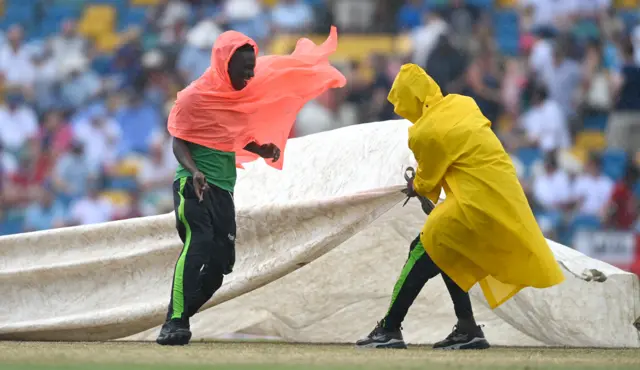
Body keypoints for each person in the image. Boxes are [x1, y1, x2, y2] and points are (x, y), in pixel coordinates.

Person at [157, 27, 345, 346]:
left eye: (252, 67)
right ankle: (175, 322)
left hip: (223, 189)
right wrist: (194, 172)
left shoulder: (238, 97)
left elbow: (238, 135)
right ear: (224, 63)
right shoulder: (194, 97)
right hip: (194, 184)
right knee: (198, 242)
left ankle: (177, 315)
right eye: (244, 68)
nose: (250, 74)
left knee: (221, 266)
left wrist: (263, 149)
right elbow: (179, 142)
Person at [357, 64, 565, 350]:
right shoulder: (463, 103)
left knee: (422, 248)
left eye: (400, 102)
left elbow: (426, 181)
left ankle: (389, 329)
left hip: (475, 205)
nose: (398, 110)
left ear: (410, 98)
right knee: (446, 252)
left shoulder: (424, 132)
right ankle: (467, 328)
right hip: (503, 199)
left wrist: (414, 186)